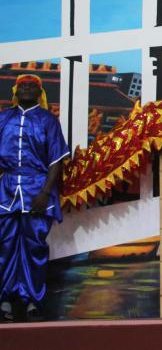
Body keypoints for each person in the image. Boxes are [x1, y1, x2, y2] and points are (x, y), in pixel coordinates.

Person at [0, 75, 70, 323]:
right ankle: (5, 300)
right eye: (23, 86)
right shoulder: (3, 119)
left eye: (32, 86)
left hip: (38, 191)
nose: (27, 88)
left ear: (40, 92)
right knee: (5, 246)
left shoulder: (48, 120)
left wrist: (45, 193)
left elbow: (56, 160)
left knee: (35, 247)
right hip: (7, 190)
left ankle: (33, 301)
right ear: (16, 91)